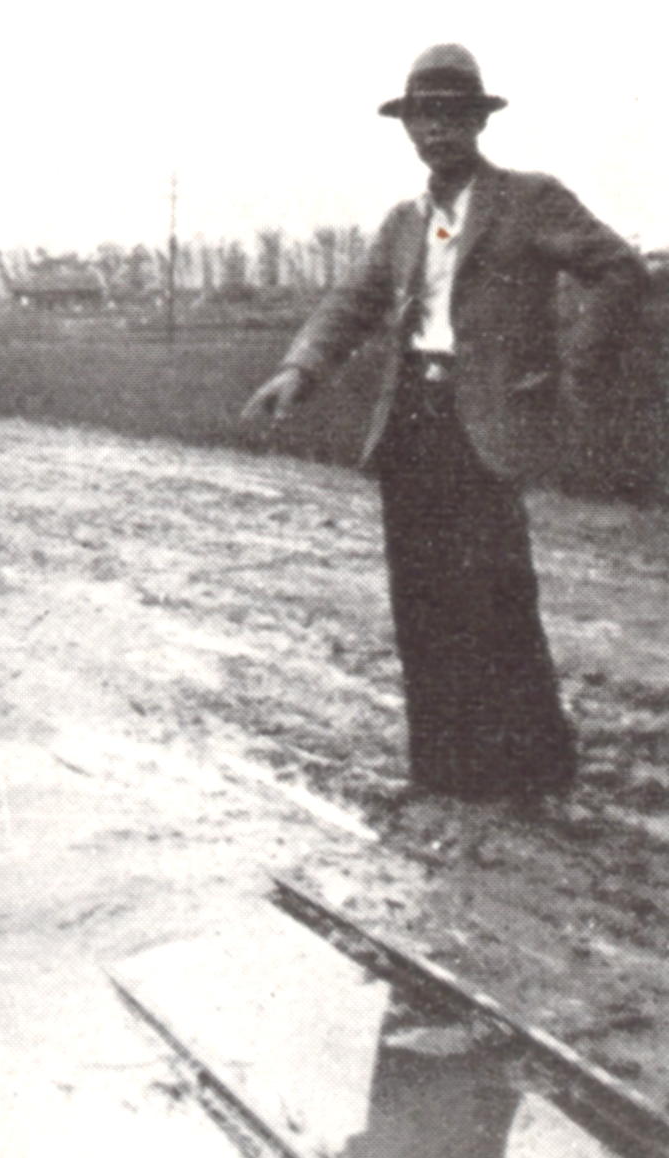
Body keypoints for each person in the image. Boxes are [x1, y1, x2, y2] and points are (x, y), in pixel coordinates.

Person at [244, 44, 646, 802]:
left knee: (496, 594)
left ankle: (533, 771)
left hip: (485, 424)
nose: (435, 130)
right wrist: (297, 370)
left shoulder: (529, 200)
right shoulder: (403, 222)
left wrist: (568, 364)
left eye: (450, 114)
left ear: (475, 120)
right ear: (407, 128)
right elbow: (352, 303)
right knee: (421, 596)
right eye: (421, 117)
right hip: (411, 425)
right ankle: (443, 771)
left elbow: (618, 270)